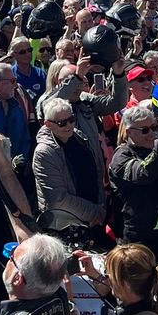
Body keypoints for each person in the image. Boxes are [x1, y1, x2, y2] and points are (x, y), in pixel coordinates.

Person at [109, 103, 158, 261]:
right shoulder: (121, 156)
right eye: (144, 130)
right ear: (129, 132)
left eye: (154, 127)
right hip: (139, 241)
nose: (151, 134)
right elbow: (144, 174)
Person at [33, 97, 105, 230]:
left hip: (93, 218)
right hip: (66, 226)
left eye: (71, 120)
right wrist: (95, 212)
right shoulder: (44, 153)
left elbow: (96, 174)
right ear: (48, 124)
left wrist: (100, 206)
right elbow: (58, 199)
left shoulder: (79, 137)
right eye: (62, 123)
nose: (69, 126)